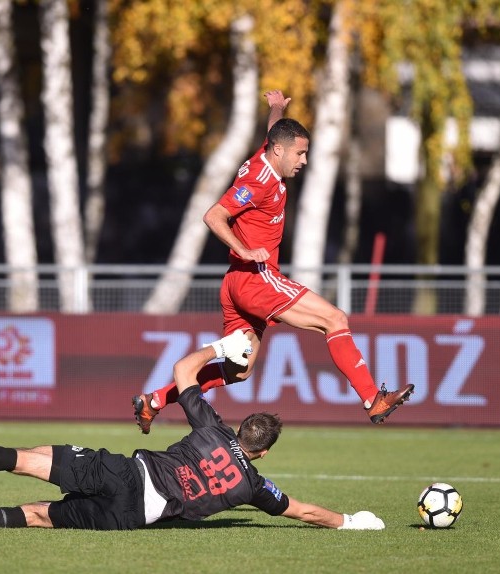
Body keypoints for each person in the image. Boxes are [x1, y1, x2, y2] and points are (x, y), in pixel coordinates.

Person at [0, 331, 385, 532]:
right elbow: (305, 511)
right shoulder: (254, 486)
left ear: (241, 426)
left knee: (23, 458)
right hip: (132, 513)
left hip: (125, 470)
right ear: (265, 452)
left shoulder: (211, 425)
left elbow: (184, 374)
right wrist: (352, 521)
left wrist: (221, 347)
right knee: (36, 517)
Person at [132, 90, 414, 434]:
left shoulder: (265, 157)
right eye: (301, 152)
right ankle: (373, 399)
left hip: (235, 283)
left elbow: (274, 135)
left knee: (239, 370)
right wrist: (245, 249)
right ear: (279, 151)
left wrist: (277, 109)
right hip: (256, 278)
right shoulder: (258, 181)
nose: (304, 160)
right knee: (334, 319)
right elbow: (214, 215)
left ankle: (155, 401)